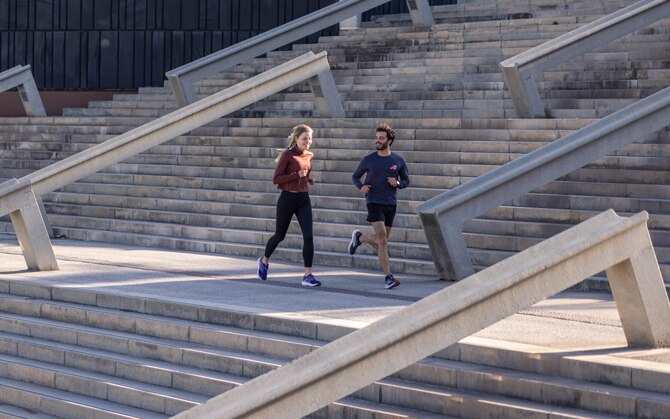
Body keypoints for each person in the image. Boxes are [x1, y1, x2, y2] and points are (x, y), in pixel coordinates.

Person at [257, 124, 320, 287]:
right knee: (280, 235)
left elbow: (305, 172)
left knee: (308, 236)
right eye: (305, 138)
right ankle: (264, 261)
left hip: (303, 199)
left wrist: (308, 179)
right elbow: (276, 179)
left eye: (310, 139)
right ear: (296, 138)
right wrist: (296, 175)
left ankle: (307, 275)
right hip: (287, 199)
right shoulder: (287, 155)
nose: (308, 142)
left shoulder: (309, 155)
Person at [348, 123, 410, 289]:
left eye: (381, 138)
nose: (378, 140)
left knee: (382, 241)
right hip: (374, 201)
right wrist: (361, 186)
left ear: (389, 141)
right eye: (377, 137)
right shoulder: (369, 159)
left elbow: (406, 181)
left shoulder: (398, 160)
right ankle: (388, 277)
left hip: (391, 203)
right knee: (382, 239)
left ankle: (360, 238)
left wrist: (398, 183)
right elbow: (355, 176)